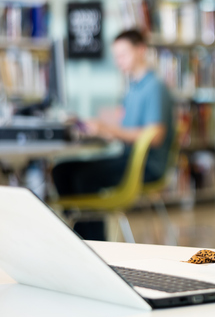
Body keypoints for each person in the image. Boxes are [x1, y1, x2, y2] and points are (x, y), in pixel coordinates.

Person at [52, 28, 174, 240]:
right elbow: (124, 123)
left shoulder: (154, 87)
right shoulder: (132, 87)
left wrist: (109, 130)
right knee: (62, 170)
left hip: (144, 165)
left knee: (84, 177)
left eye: (123, 55)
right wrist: (95, 125)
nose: (118, 61)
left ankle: (94, 244)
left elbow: (154, 137)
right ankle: (79, 237)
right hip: (127, 157)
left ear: (141, 50)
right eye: (116, 56)